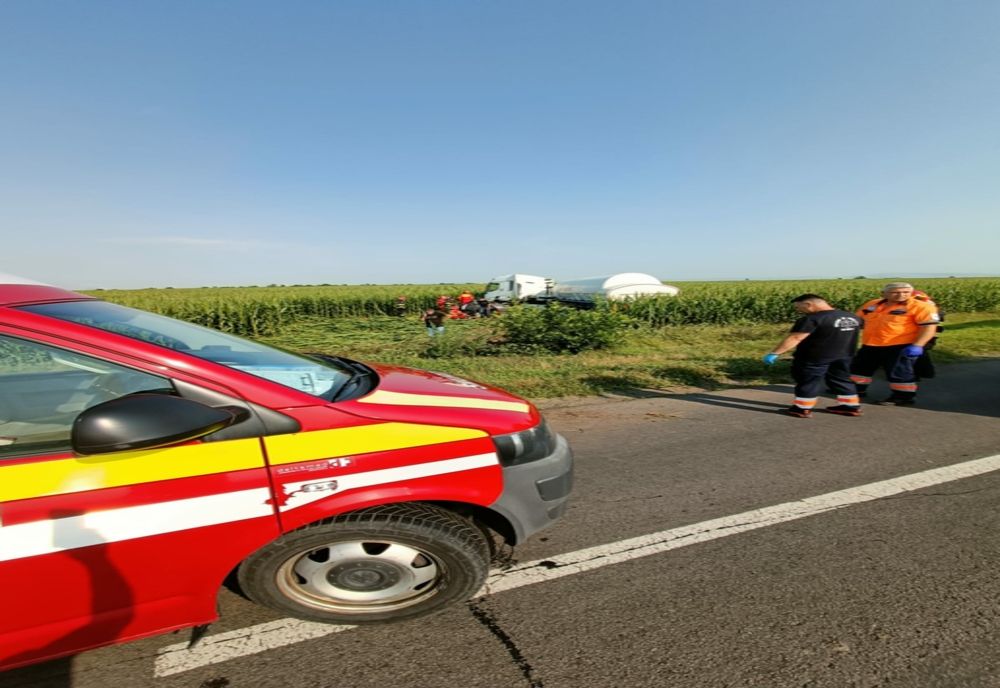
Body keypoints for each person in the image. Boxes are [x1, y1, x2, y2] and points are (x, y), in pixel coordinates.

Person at [762, 294, 863, 418]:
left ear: (808, 304)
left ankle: (802, 408)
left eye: (799, 307)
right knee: (841, 379)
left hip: (815, 357)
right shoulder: (851, 316)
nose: (799, 311)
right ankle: (850, 406)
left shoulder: (812, 319)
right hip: (845, 355)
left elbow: (796, 337)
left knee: (808, 381)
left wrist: (775, 353)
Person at [850, 282, 940, 406]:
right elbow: (858, 320)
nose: (901, 295)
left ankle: (903, 397)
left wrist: (918, 345)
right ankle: (856, 390)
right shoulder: (872, 304)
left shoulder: (920, 306)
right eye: (895, 292)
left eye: (906, 292)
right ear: (884, 294)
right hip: (871, 344)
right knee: (859, 369)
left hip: (899, 345)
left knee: (899, 372)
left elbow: (929, 328)